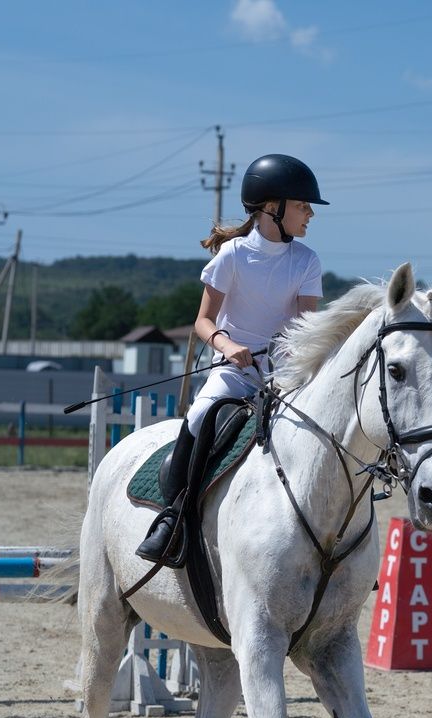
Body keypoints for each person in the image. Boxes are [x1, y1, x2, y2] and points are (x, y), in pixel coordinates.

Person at [136, 153, 329, 563]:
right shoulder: (233, 256)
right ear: (271, 209)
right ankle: (174, 518)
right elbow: (203, 322)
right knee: (200, 415)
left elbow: (306, 326)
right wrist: (227, 347)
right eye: (301, 205)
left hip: (282, 375)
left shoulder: (306, 261)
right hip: (235, 372)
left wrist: (293, 355)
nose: (309, 214)